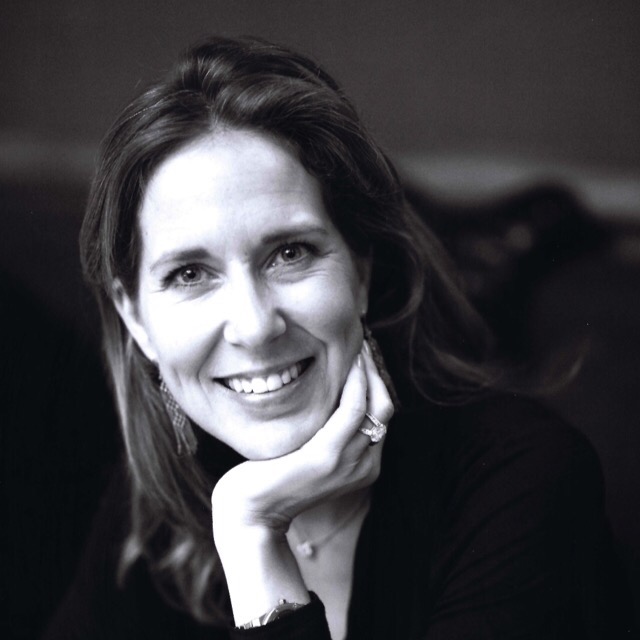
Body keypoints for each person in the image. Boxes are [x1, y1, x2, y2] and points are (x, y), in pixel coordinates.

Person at [44, 36, 637, 639]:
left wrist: (254, 539)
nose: (255, 325)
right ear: (135, 318)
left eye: (290, 253)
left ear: (361, 270)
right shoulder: (153, 511)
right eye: (190, 274)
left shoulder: (525, 480)